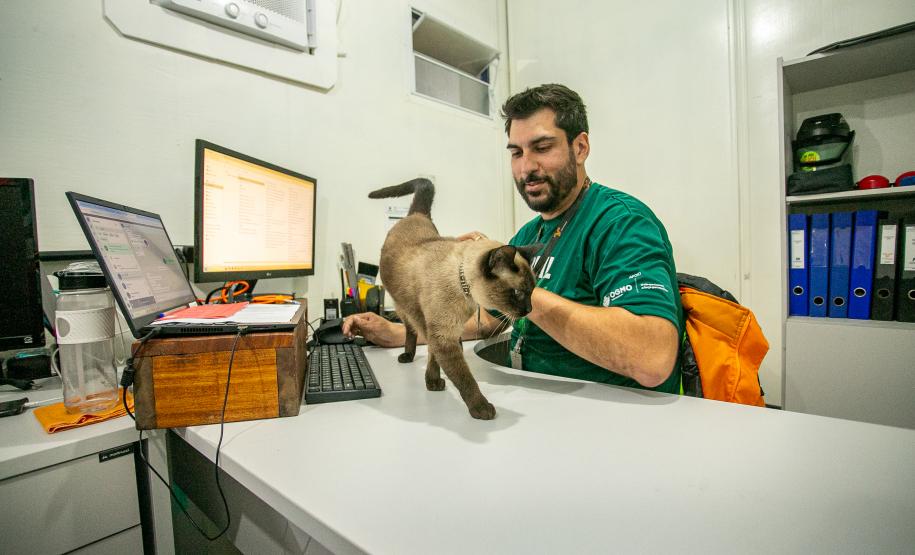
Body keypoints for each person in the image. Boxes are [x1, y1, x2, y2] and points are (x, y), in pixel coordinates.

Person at [344, 84, 682, 393]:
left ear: (580, 148)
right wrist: (403, 333)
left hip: (607, 421)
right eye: (516, 152)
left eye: (542, 147)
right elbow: (492, 318)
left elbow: (652, 358)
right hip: (537, 403)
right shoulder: (530, 234)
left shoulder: (621, 222)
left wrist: (524, 295)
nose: (525, 168)